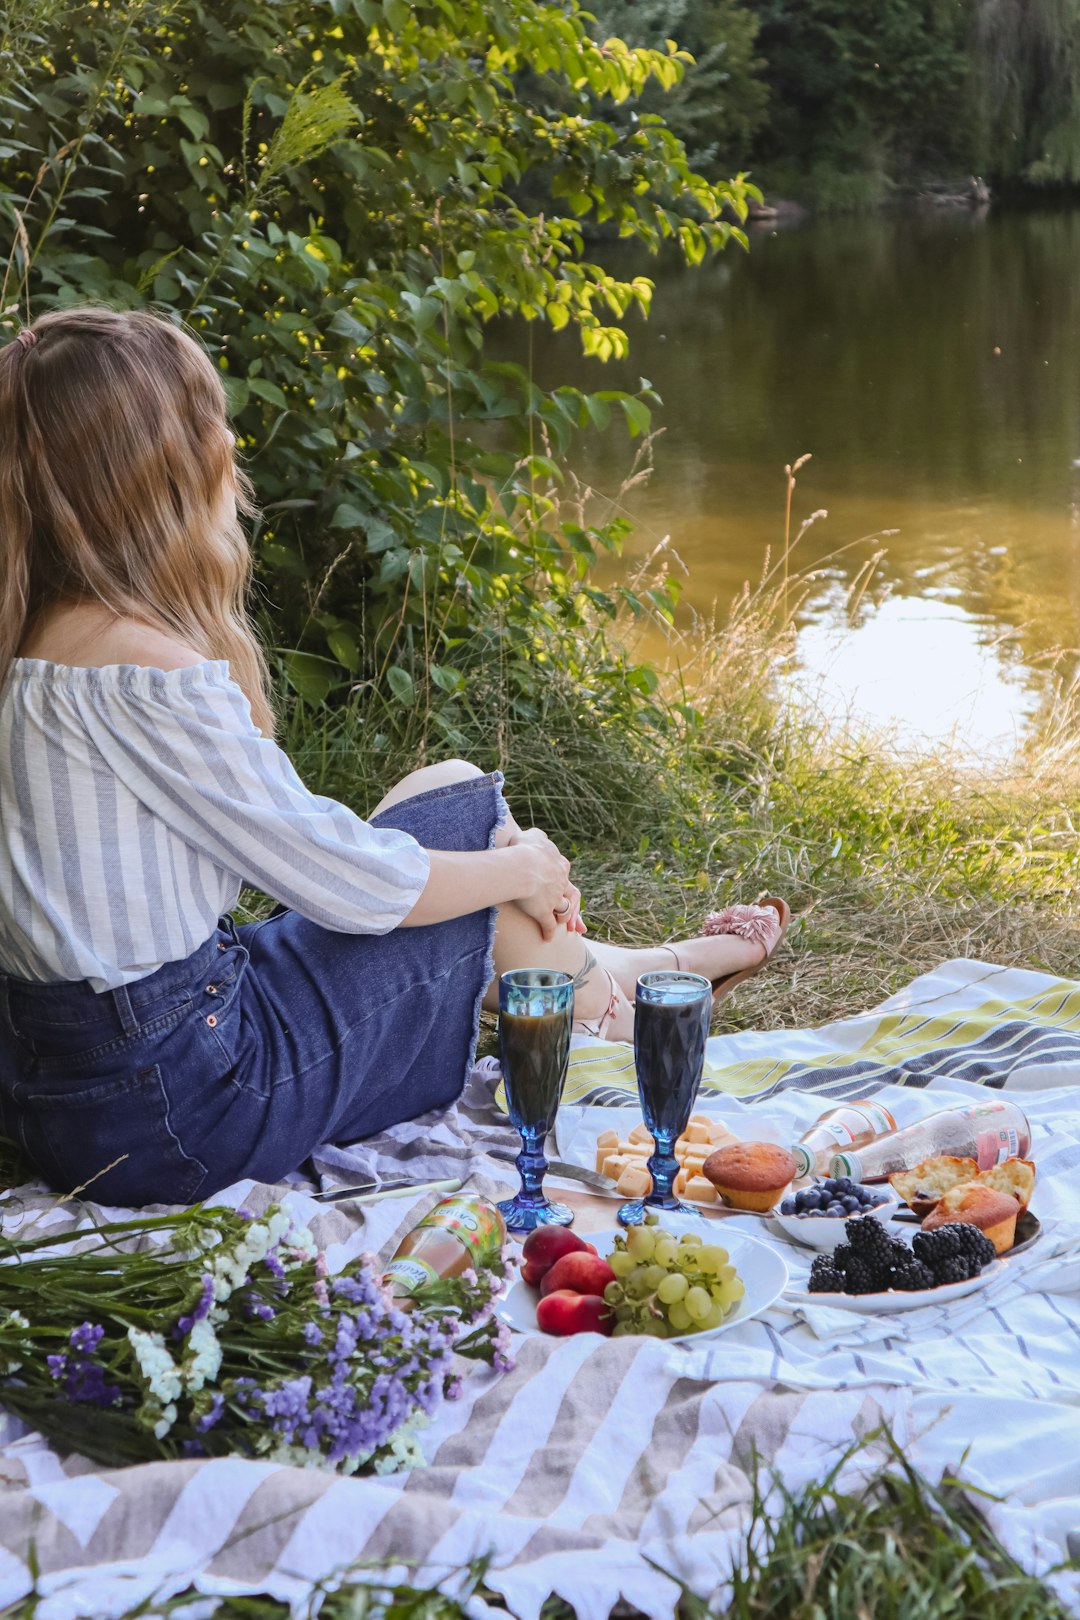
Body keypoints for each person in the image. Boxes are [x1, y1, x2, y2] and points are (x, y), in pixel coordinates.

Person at [0, 308, 788, 1206]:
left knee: (450, 792)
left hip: (63, 1088)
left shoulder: (32, 648)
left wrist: (503, 869)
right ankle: (624, 995)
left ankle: (618, 971)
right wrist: (523, 865)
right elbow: (351, 885)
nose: (228, 441)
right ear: (167, 469)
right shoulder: (147, 673)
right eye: (209, 422)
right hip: (182, 1108)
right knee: (478, 851)